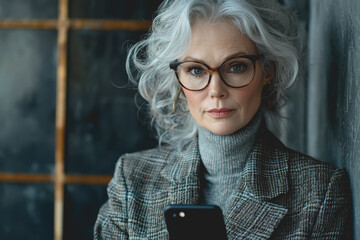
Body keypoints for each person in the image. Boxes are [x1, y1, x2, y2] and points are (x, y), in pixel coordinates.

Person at [94, 0, 351, 239]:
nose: (216, 90)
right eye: (196, 70)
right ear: (177, 78)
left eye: (236, 66)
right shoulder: (133, 180)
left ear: (268, 71)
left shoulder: (319, 192)